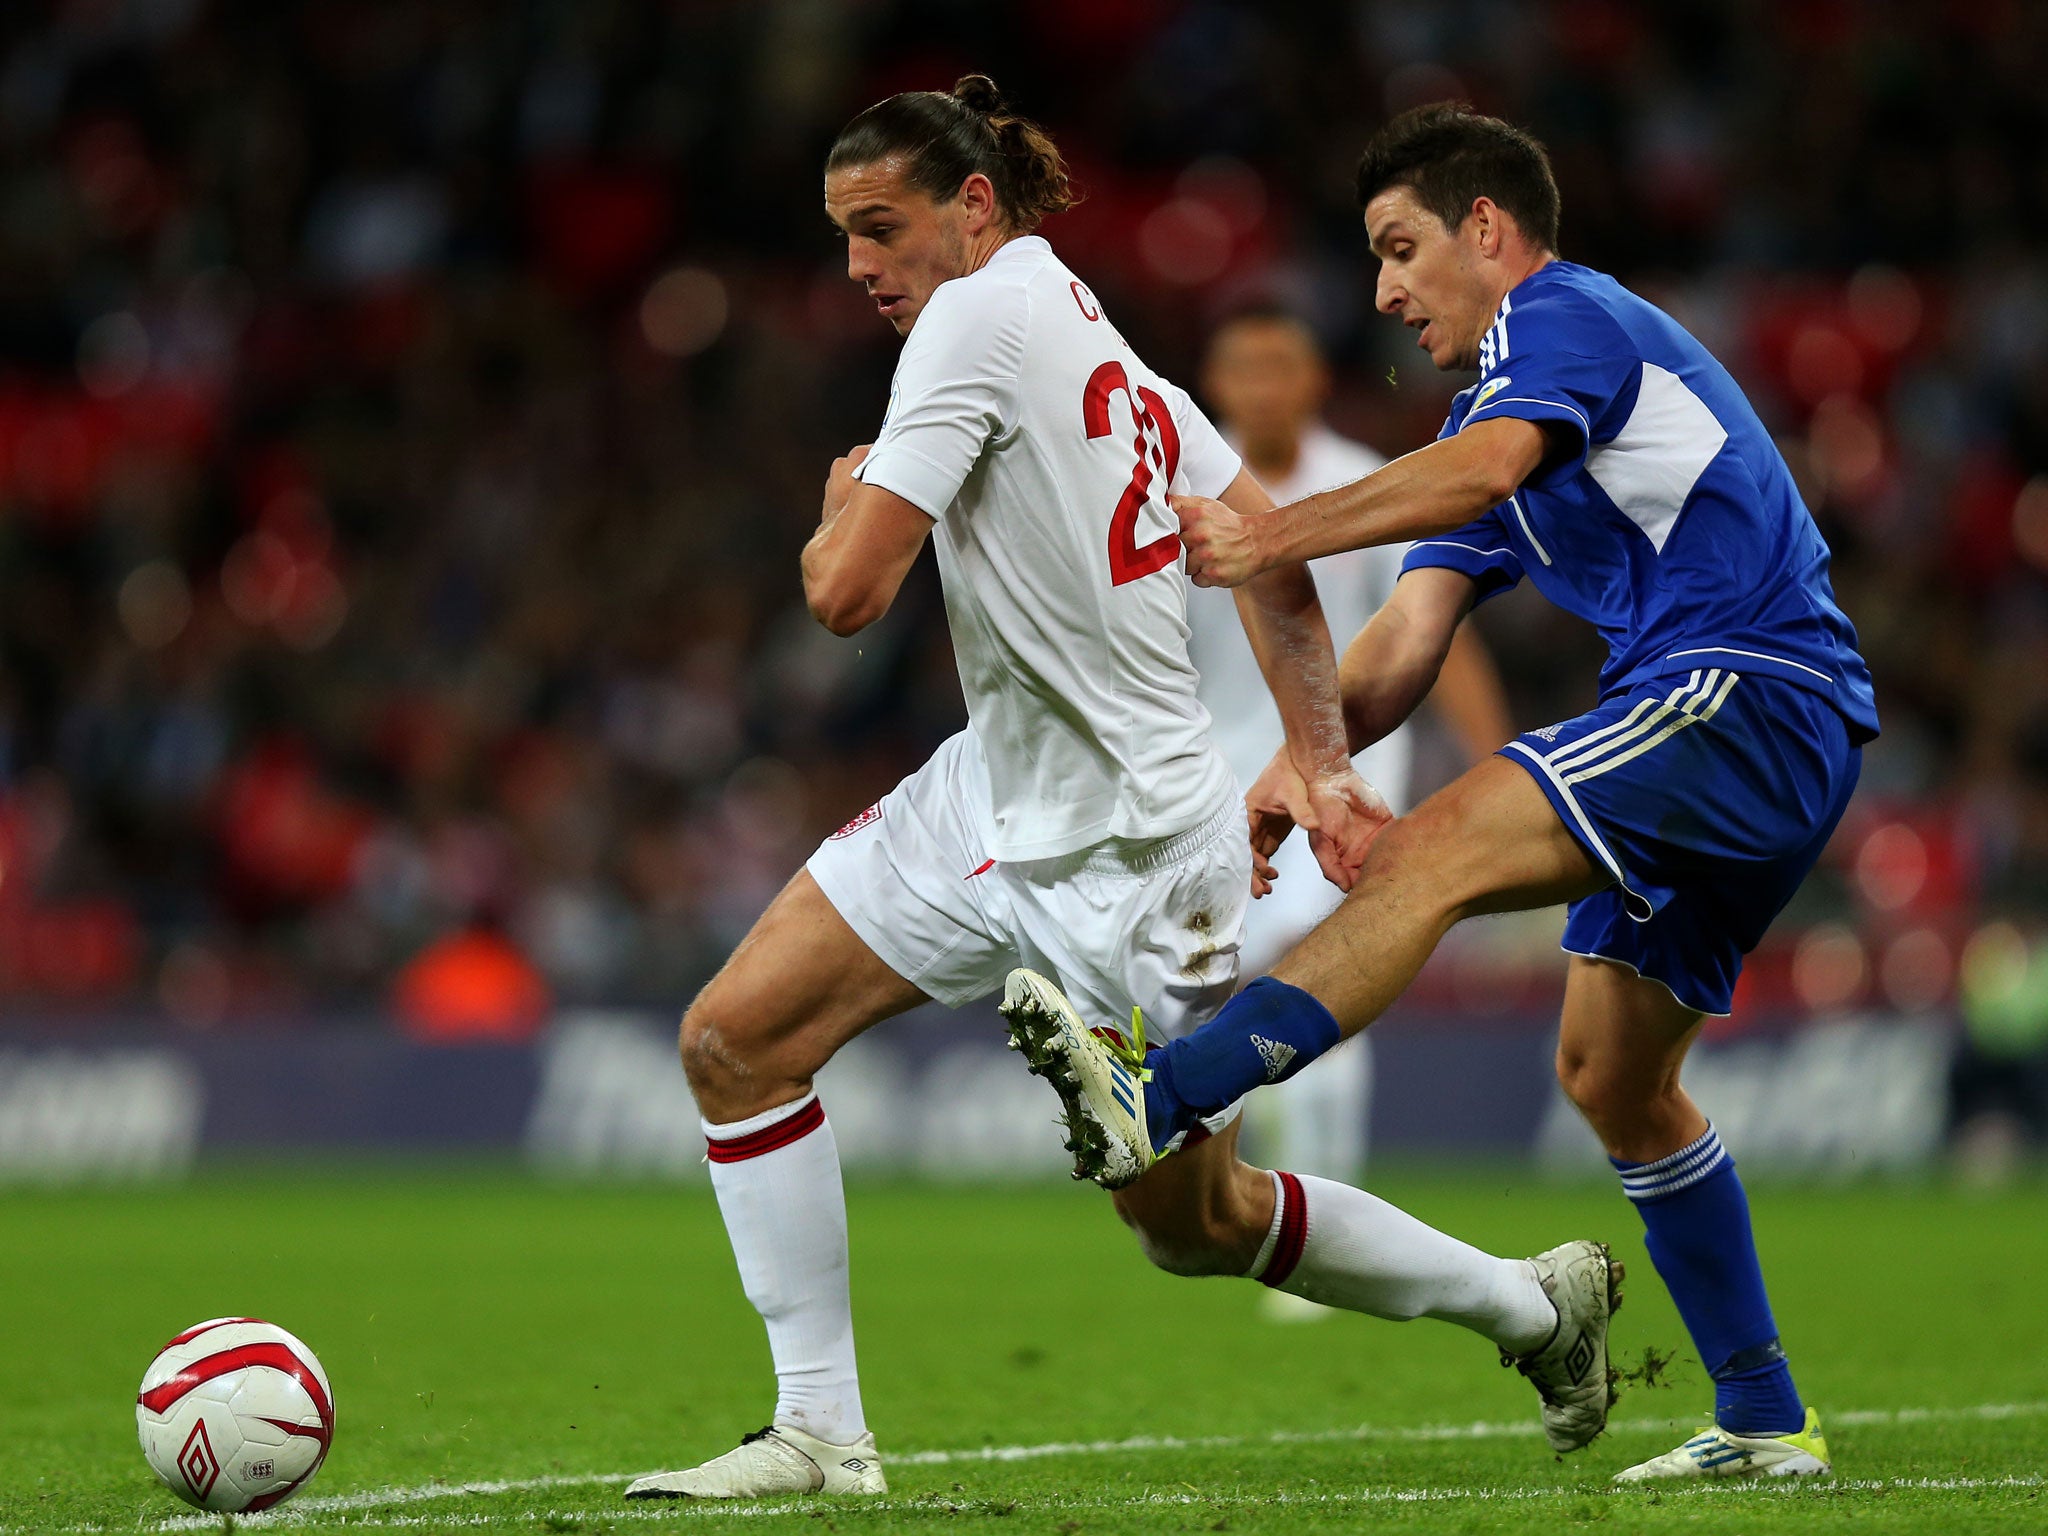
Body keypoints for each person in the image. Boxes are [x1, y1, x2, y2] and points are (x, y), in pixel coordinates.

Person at [625, 80, 1620, 1503]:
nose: (857, 265)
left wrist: (841, 502)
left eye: (880, 226)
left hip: (1138, 850)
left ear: (975, 207)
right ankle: (819, 1434)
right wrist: (1323, 759)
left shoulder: (975, 321)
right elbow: (1271, 552)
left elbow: (845, 596)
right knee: (736, 1042)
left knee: (1191, 1226)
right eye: (843, 235)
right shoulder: (1094, 336)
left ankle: (1531, 1307)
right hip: (988, 799)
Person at [1030, 102, 1876, 1483]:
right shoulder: (1498, 418)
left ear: (1488, 230)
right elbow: (1406, 642)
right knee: (1614, 1078)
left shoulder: (1566, 320)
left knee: (1421, 858)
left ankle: (1164, 1092)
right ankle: (1766, 1420)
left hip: (1745, 689)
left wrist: (1267, 536)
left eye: (1401, 247)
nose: (1384, 288)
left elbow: (1473, 474)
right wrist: (1307, 761)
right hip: (1731, 726)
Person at [1188, 309, 1514, 1319]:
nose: (1260, 384)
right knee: (1213, 1000)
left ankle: (1311, 1258)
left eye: (1278, 363)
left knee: (1320, 1004)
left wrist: (1492, 757)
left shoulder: (1363, 487)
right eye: (1241, 363)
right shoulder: (1181, 495)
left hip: (1343, 786)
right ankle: (1247, 1217)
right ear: (1214, 379)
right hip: (1215, 791)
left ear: (1314, 378)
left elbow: (1435, 630)